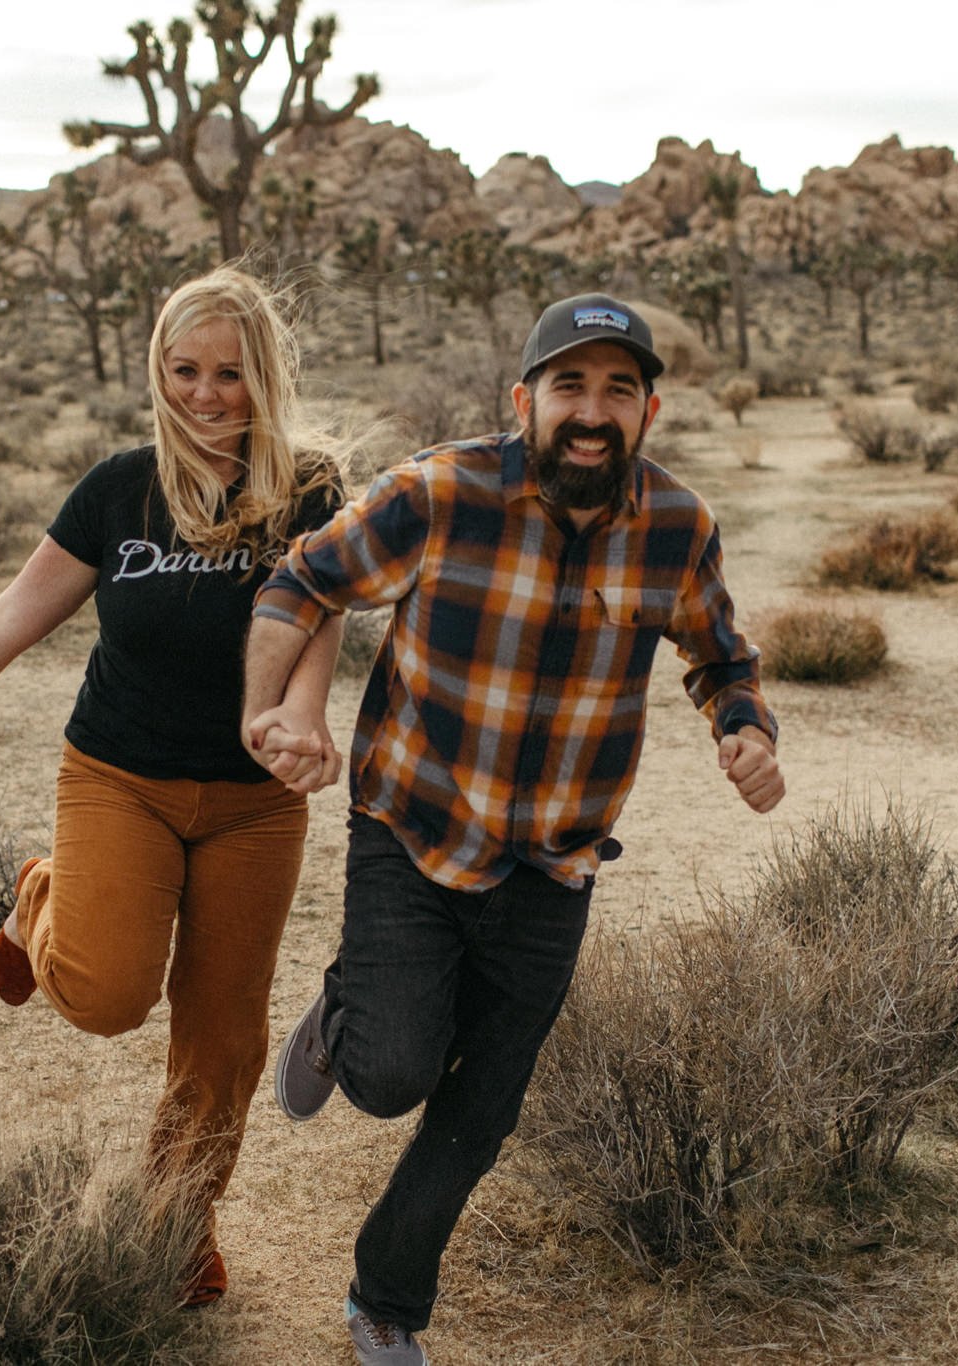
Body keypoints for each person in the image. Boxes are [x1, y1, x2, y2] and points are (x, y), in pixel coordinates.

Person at [239, 293, 784, 1362]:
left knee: (482, 1108)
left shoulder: (676, 528)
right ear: (523, 401)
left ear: (649, 411)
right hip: (414, 828)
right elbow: (302, 580)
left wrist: (745, 729)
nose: (592, 412)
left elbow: (721, 657)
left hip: (553, 861)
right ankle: (349, 1011)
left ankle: (385, 1301)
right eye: (569, 386)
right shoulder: (440, 494)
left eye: (617, 390)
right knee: (393, 1074)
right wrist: (273, 712)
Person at [0, 266, 346, 1307]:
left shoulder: (308, 489)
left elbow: (320, 615)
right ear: (157, 371)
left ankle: (178, 1219)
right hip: (119, 779)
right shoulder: (116, 490)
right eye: (183, 370)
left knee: (223, 1033)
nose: (204, 394)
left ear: (265, 374)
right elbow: (11, 615)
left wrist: (306, 715)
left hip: (253, 800)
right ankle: (38, 897)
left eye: (229, 372)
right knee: (106, 996)